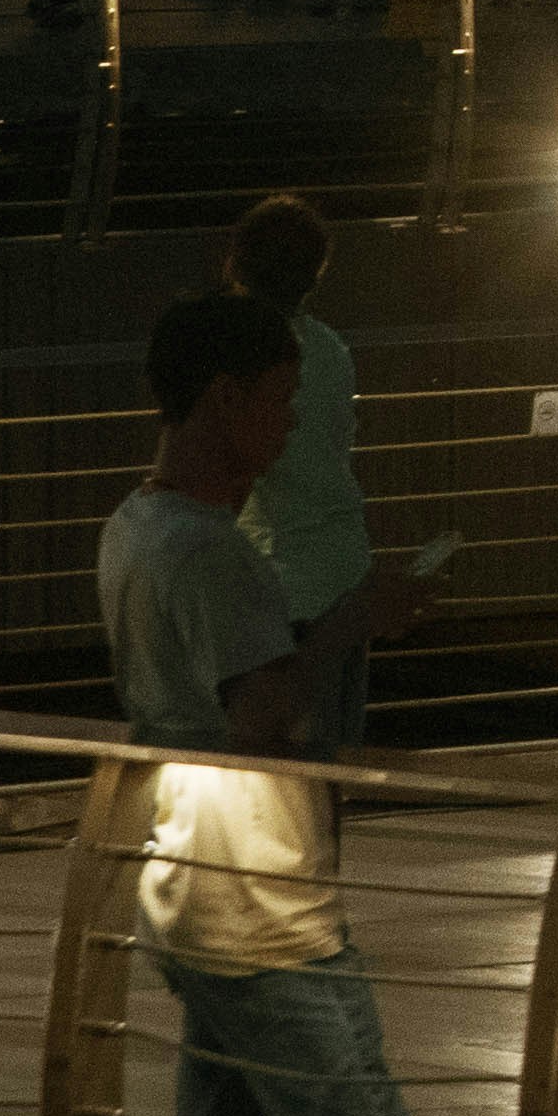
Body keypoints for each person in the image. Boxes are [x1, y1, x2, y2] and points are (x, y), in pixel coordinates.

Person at [104, 292, 436, 1116]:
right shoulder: (213, 554)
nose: (291, 424)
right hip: (258, 911)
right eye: (281, 399)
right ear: (226, 397)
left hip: (203, 892)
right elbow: (265, 714)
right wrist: (351, 622)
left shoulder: (134, 525)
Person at [221, 196, 382, 758]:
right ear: (315, 276)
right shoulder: (330, 349)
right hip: (345, 570)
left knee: (264, 766)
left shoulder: (236, 351)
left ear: (236, 265)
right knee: (328, 765)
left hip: (275, 584)